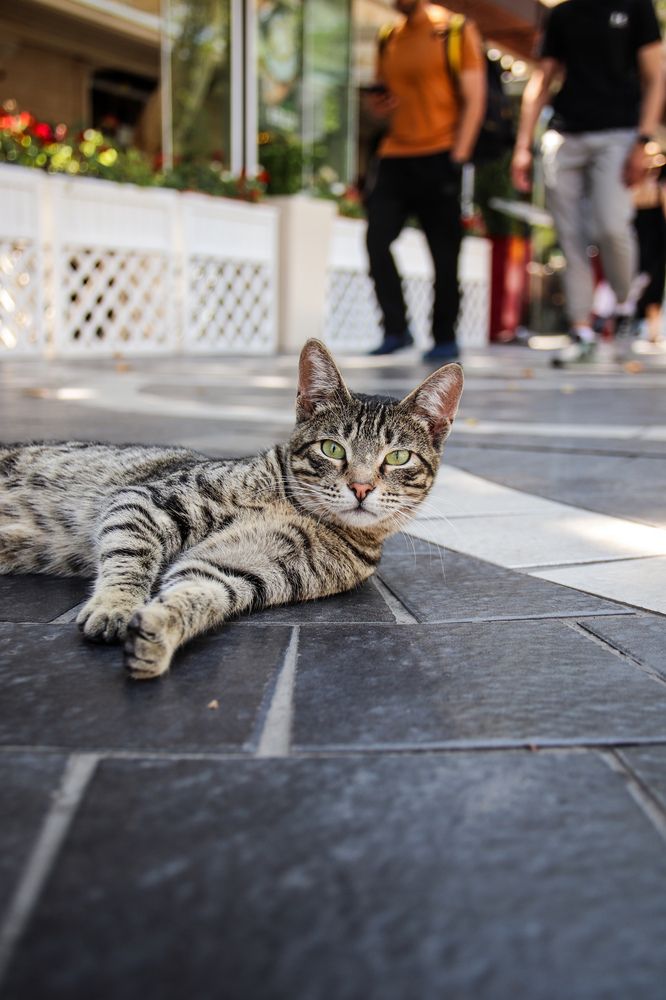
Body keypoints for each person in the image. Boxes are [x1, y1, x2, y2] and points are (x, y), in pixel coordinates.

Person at [511, 0, 664, 366]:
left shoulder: (636, 8)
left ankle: (624, 298)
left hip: (619, 134)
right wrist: (522, 145)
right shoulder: (562, 14)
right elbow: (542, 78)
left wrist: (643, 141)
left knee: (612, 227)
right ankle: (581, 329)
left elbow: (656, 75)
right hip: (566, 135)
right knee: (570, 236)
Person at [365, 0, 486, 360]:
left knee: (445, 254)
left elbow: (474, 99)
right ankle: (396, 329)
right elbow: (381, 100)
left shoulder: (454, 30)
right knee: (376, 240)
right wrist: (379, 104)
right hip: (394, 156)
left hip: (440, 154)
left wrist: (458, 157)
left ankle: (444, 337)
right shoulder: (389, 36)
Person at [633, 153, 666, 343]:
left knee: (655, 286)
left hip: (656, 246)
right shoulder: (634, 187)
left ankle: (653, 330)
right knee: (635, 285)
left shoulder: (660, 189)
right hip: (637, 245)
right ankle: (627, 323)